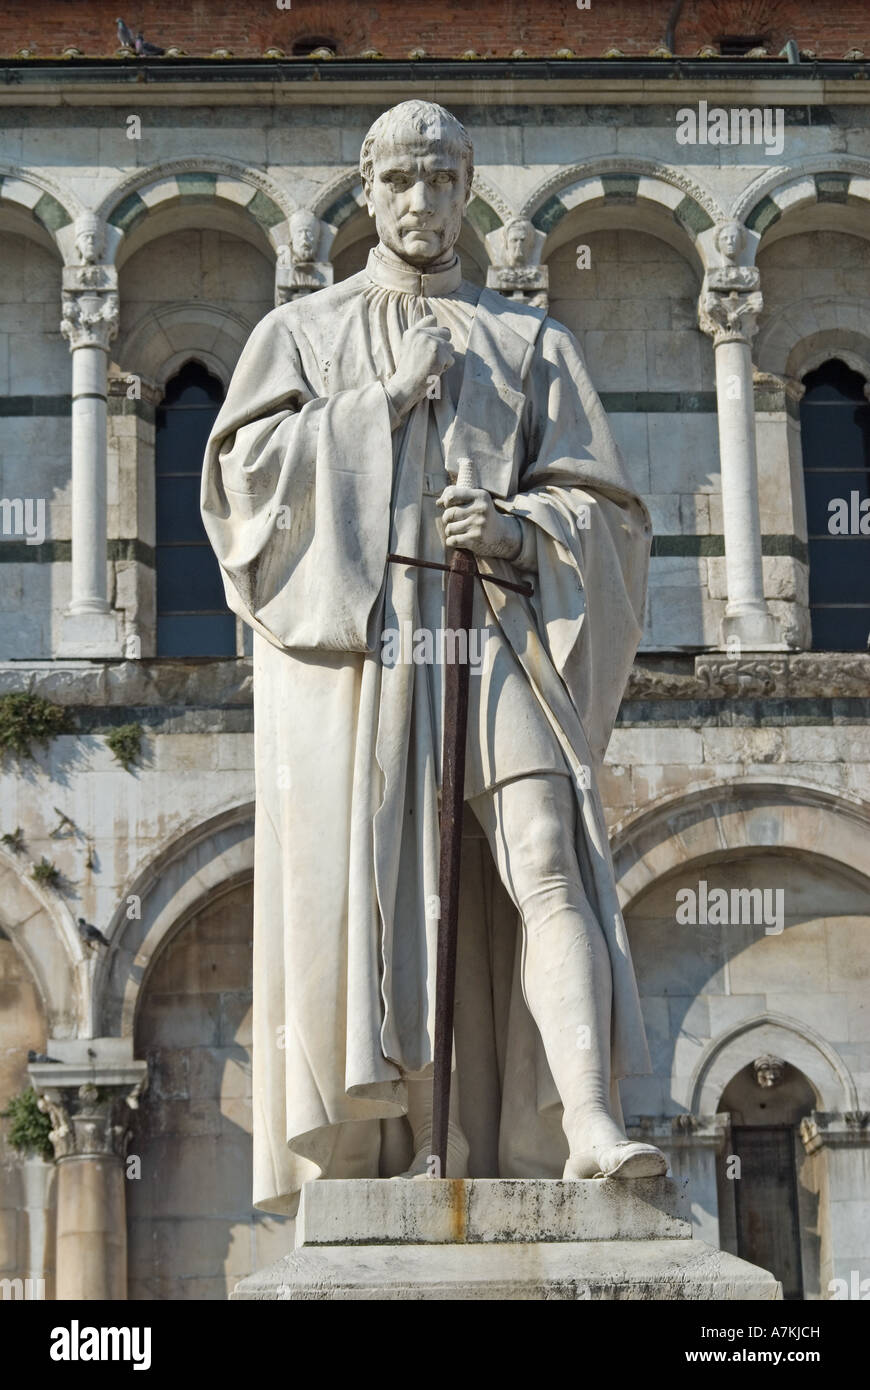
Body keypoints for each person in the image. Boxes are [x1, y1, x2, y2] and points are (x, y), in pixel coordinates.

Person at [202, 100, 665, 1215]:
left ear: (468, 194)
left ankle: (589, 1119)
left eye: (443, 181)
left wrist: (516, 527)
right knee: (388, 885)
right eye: (400, 183)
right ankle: (403, 1136)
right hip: (372, 648)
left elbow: (607, 513)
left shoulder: (530, 340)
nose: (421, 204)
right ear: (368, 195)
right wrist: (380, 405)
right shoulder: (302, 335)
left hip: (498, 624)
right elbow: (242, 493)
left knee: (547, 852)